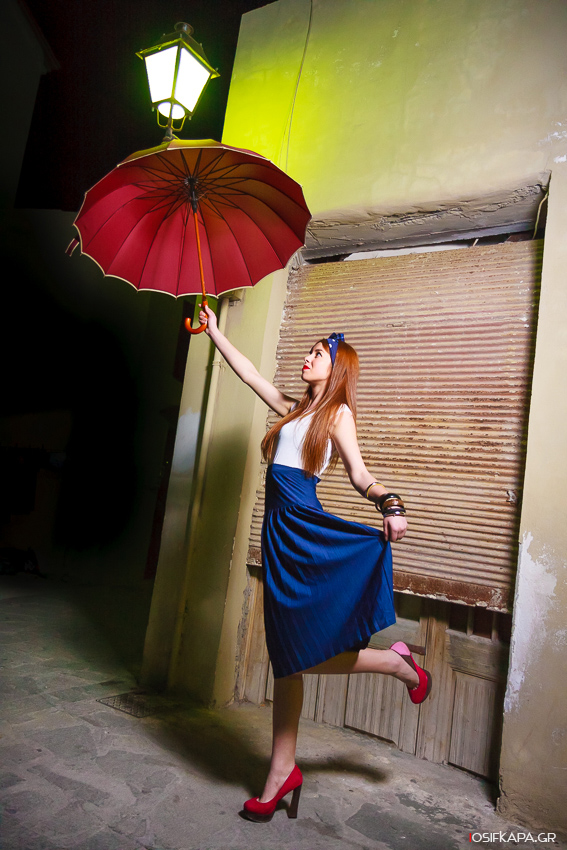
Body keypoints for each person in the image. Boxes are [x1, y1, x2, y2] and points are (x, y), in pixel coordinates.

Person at [198, 304, 432, 824]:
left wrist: (391, 504)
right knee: (288, 656)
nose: (307, 357)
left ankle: (396, 663)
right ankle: (283, 770)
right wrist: (215, 331)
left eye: (318, 353)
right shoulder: (291, 410)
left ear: (337, 367)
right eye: (308, 351)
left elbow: (359, 474)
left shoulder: (338, 415)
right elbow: (250, 373)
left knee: (296, 653)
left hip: (306, 531)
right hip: (278, 535)